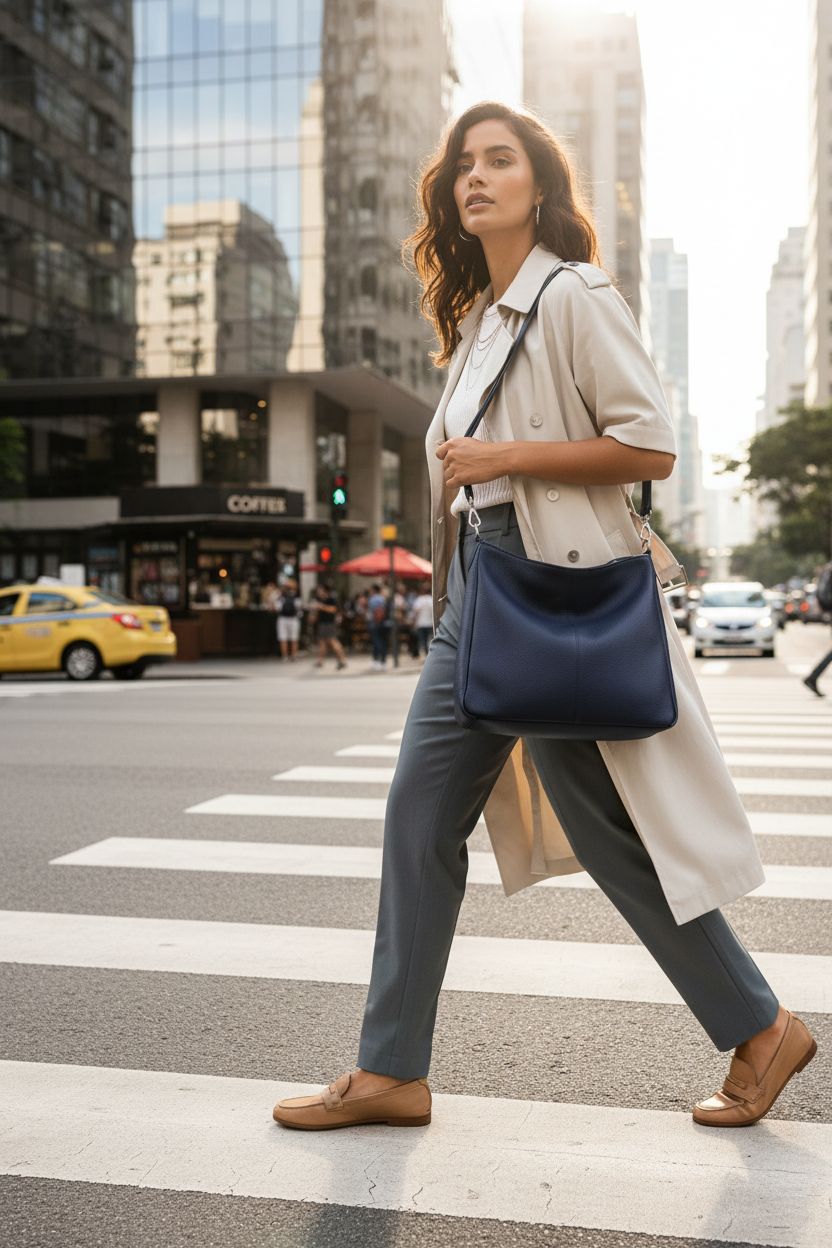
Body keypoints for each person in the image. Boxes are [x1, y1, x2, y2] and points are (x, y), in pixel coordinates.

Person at [274, 101, 816, 1132]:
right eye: (462, 166)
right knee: (418, 815)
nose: (474, 177)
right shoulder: (481, 322)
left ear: (538, 184)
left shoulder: (572, 294)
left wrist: (501, 459)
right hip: (482, 594)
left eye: (498, 160)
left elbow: (648, 445)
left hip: (551, 588)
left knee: (604, 830)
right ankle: (392, 1070)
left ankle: (758, 1026)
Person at [311, 582, 347, 671]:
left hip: (329, 623)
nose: (319, 591)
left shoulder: (331, 599)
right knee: (322, 642)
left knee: (333, 641)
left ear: (325, 590)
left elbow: (333, 609)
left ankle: (342, 660)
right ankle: (320, 661)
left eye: (320, 589)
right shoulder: (319, 599)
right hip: (322, 623)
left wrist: (321, 607)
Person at [274, 579, 303, 662]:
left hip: (283, 619)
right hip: (293, 619)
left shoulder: (281, 596)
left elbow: (277, 608)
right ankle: (293, 655)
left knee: (284, 638)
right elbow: (299, 608)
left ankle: (285, 656)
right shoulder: (297, 596)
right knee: (293, 638)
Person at [366, 582, 389, 670]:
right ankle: (382, 661)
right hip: (383, 623)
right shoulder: (383, 598)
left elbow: (376, 611)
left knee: (377, 642)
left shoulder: (373, 599)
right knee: (383, 642)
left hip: (376, 623)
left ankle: (377, 661)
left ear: (374, 590)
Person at [410, 580, 434, 658]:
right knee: (429, 640)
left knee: (423, 641)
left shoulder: (419, 600)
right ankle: (428, 654)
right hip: (430, 623)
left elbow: (415, 612)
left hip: (421, 624)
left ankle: (426, 655)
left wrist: (413, 622)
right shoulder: (431, 599)